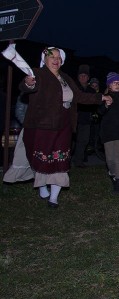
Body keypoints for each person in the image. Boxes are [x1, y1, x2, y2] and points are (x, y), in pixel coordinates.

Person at [20, 47, 112, 208]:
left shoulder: (66, 78)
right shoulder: (38, 73)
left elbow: (79, 96)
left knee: (61, 160)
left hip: (64, 126)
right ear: (45, 59)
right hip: (42, 126)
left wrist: (101, 97)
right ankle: (42, 186)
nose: (56, 60)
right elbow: (27, 85)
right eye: (52, 57)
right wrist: (28, 83)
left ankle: (54, 198)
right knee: (40, 159)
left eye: (59, 57)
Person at [72, 64, 97, 168]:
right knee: (71, 141)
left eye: (85, 76)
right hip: (73, 118)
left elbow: (94, 104)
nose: (83, 77)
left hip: (86, 119)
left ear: (88, 78)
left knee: (83, 140)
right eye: (81, 75)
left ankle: (78, 161)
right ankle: (65, 160)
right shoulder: (73, 87)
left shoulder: (91, 91)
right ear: (78, 77)